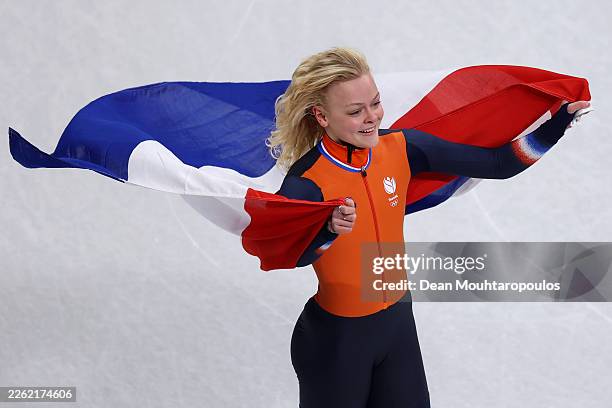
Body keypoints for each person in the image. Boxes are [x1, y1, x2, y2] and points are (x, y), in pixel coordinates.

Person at [266, 47, 589, 408]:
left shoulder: (401, 148)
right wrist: (326, 231)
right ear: (321, 116)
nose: (371, 117)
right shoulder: (306, 182)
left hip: (397, 329)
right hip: (338, 342)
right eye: (356, 111)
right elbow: (288, 254)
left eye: (375, 103)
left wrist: (555, 127)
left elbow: (497, 163)